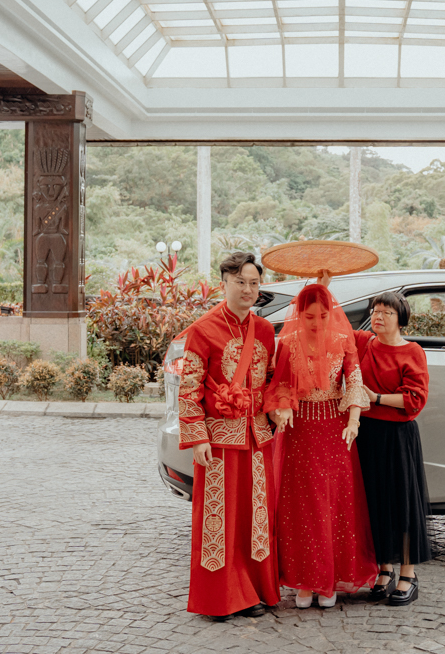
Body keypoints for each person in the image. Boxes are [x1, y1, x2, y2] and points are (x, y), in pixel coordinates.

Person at [177, 252, 280, 620]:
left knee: (255, 519)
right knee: (218, 520)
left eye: (254, 283)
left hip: (257, 438)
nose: (248, 289)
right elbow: (189, 388)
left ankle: (253, 591)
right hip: (218, 441)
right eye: (240, 282)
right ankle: (220, 599)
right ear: (224, 284)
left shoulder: (265, 331)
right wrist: (197, 437)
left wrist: (277, 406)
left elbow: (271, 381)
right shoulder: (203, 330)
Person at [267, 281, 376, 609]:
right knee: (301, 506)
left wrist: (354, 421)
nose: (316, 322)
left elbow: (354, 381)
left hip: (335, 430)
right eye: (309, 316)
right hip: (298, 430)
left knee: (333, 503)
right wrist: (282, 407)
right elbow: (280, 382)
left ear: (332, 314)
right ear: (299, 315)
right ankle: (305, 580)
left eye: (323, 316)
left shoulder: (343, 340)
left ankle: (329, 579)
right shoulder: (288, 342)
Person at [352, 291, 431, 606]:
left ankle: (408, 575)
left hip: (398, 435)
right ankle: (384, 569)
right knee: (375, 503)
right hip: (367, 434)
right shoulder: (363, 343)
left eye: (387, 312)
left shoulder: (412, 351)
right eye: (375, 310)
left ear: (401, 319)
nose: (379, 316)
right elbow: (331, 324)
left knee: (402, 504)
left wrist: (377, 398)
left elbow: (416, 398)